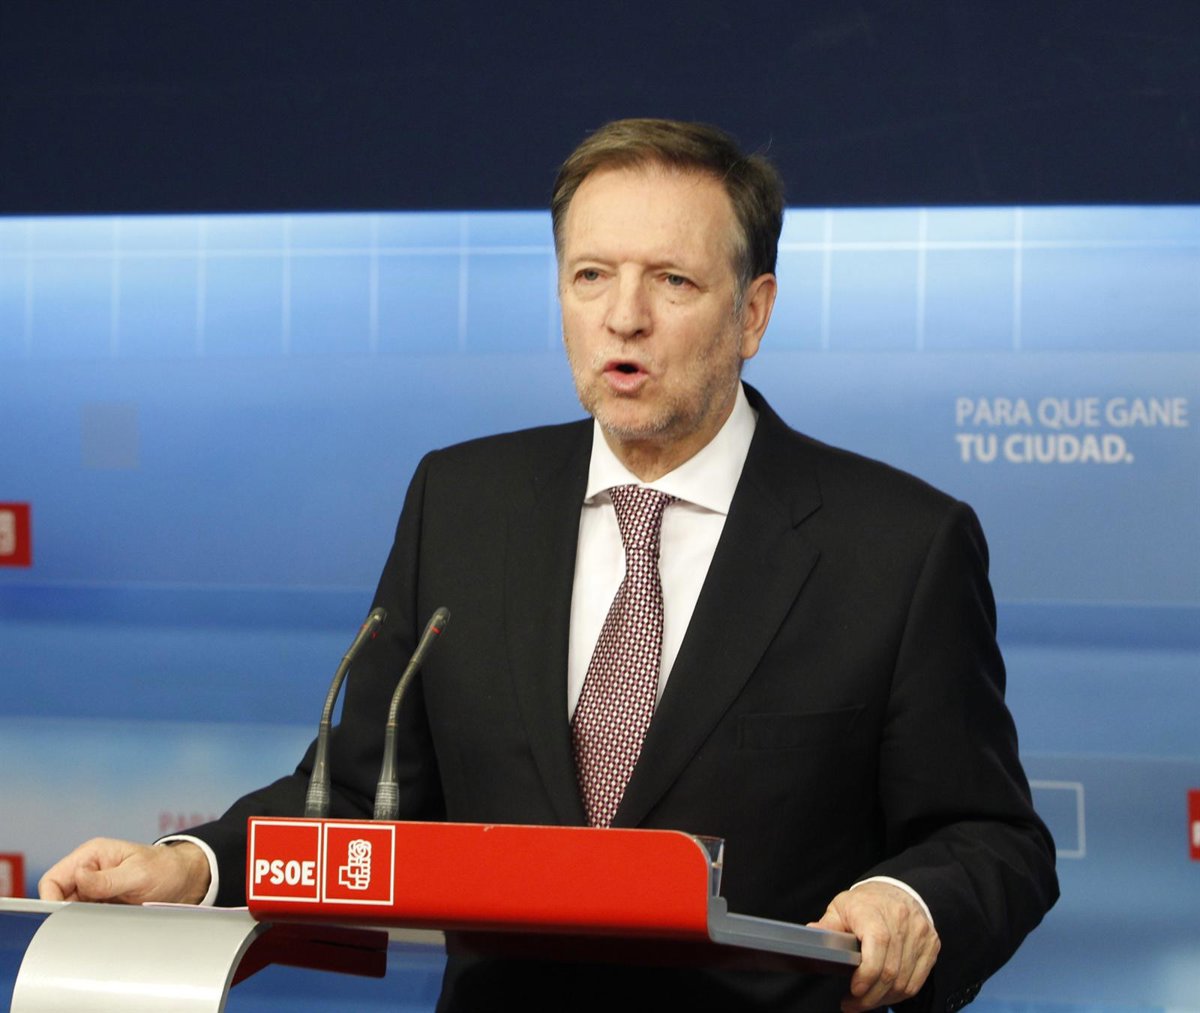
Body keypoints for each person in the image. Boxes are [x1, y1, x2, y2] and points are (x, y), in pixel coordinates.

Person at [41, 118, 1058, 1011]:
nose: (624, 316)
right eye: (591, 276)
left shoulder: (897, 543)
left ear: (753, 312)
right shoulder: (462, 502)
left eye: (672, 280)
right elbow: (359, 796)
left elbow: (992, 836)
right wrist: (190, 865)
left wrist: (908, 898)